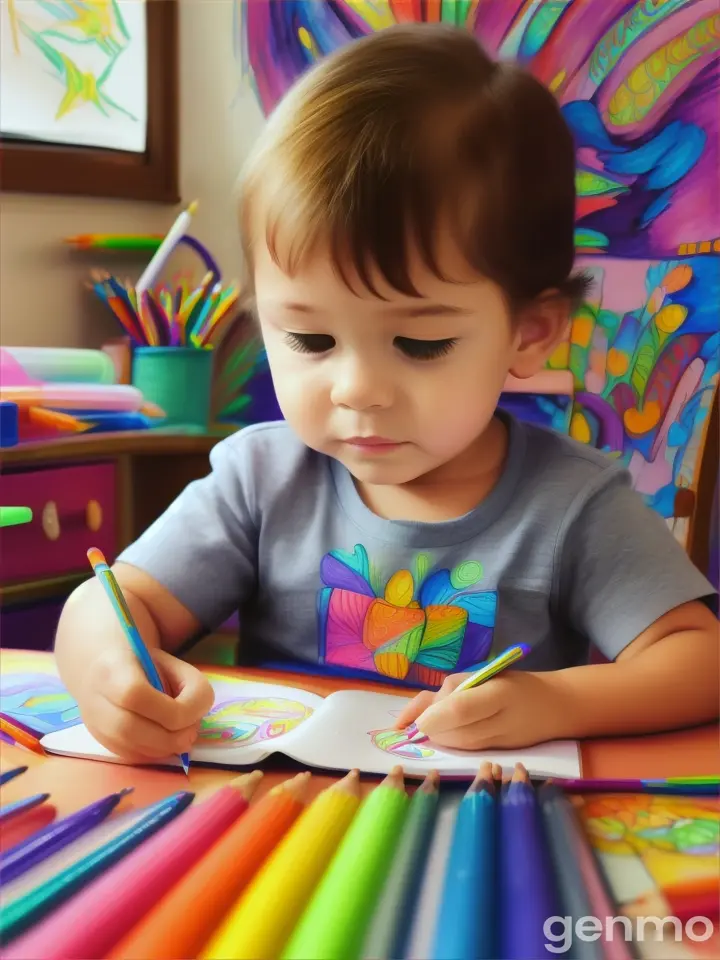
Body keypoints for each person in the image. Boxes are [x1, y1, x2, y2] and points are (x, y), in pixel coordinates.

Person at [55, 25, 718, 763]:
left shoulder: (572, 504)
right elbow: (115, 604)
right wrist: (109, 672)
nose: (358, 389)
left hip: (481, 831)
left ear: (529, 333)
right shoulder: (258, 480)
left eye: (420, 344)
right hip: (269, 821)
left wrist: (555, 700)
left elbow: (699, 659)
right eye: (310, 340)